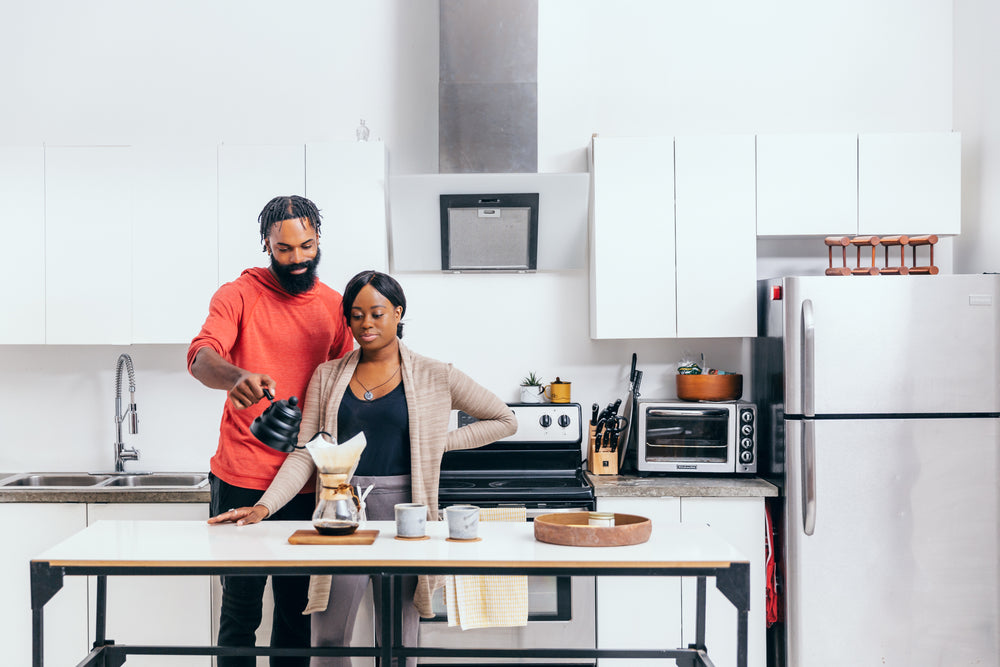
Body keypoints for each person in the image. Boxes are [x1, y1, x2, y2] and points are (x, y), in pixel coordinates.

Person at [209, 270, 517, 667]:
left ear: (398, 313)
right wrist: (263, 507)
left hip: (407, 514)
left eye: (377, 313)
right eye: (356, 315)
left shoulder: (435, 374)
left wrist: (437, 443)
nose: (366, 325)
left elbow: (503, 419)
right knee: (328, 634)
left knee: (398, 635)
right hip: (341, 511)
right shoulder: (328, 375)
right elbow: (306, 452)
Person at [189, 195, 354, 667]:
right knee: (241, 610)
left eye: (306, 246)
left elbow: (347, 383)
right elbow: (202, 356)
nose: (298, 259)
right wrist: (234, 377)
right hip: (242, 476)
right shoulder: (238, 295)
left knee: (296, 613)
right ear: (267, 244)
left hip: (305, 481)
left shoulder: (335, 308)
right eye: (285, 249)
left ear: (318, 239)